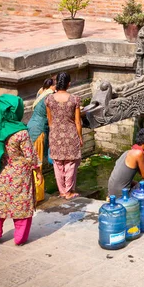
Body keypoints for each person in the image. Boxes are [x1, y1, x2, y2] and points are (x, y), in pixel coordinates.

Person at [0, 94, 41, 246]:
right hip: (20, 176)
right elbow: (31, 156)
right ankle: (19, 239)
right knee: (22, 206)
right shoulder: (21, 132)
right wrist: (38, 171)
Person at [45, 72, 83, 200]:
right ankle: (68, 191)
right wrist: (80, 137)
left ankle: (62, 191)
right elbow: (78, 122)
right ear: (68, 84)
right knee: (70, 163)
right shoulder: (74, 99)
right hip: (70, 134)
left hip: (55, 133)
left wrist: (54, 133)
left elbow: (50, 120)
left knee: (58, 163)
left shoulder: (49, 99)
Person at [27, 77, 56, 201]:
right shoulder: (50, 97)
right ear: (54, 86)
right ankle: (35, 193)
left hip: (31, 126)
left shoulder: (41, 92)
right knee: (36, 163)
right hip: (39, 131)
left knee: (31, 159)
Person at [108, 128, 144, 198]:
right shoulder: (138, 153)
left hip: (112, 195)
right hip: (124, 197)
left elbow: (125, 180)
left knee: (137, 183)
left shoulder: (128, 152)